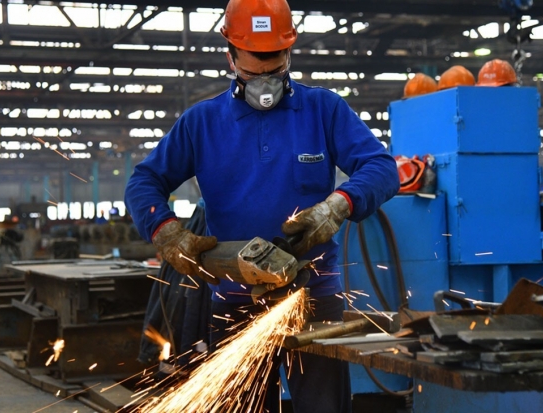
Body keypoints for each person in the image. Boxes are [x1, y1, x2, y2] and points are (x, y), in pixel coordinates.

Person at [125, 0, 400, 411]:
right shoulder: (202, 123)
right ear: (231, 56)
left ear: (289, 51)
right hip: (235, 303)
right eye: (254, 72)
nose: (265, 82)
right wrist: (165, 231)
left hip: (313, 298)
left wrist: (339, 204)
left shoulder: (323, 110)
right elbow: (143, 182)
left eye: (275, 66)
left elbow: (382, 168)